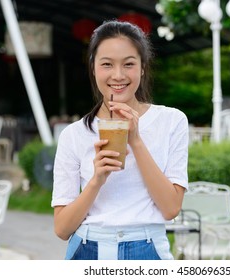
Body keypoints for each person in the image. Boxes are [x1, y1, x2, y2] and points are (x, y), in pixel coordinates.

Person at [51, 20, 189, 260]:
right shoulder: (74, 135)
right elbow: (62, 229)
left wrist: (135, 140)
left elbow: (170, 208)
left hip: (147, 249)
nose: (118, 75)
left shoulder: (171, 121)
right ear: (93, 68)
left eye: (128, 64)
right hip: (86, 248)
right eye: (107, 64)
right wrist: (96, 180)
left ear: (143, 67)